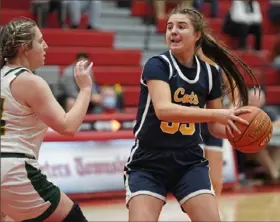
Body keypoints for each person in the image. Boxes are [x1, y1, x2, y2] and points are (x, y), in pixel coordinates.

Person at [124, 5, 259, 222]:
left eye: (181, 27)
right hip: (149, 162)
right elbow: (164, 110)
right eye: (169, 27)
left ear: (197, 35)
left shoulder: (210, 72)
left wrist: (241, 130)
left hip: (189, 161)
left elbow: (216, 127)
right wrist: (217, 115)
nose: (173, 31)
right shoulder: (157, 65)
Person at [0, 17, 93, 221]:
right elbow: (68, 126)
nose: (46, 45)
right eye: (40, 41)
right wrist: (85, 89)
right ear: (25, 48)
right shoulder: (30, 81)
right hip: (14, 169)